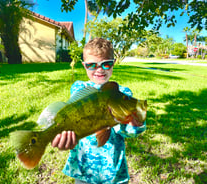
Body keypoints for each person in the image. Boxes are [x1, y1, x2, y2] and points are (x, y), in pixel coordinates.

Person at [51, 38, 146, 184]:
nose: (99, 69)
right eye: (91, 65)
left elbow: (131, 132)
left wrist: (135, 124)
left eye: (106, 64)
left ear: (113, 63)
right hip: (83, 171)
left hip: (114, 174)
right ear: (84, 66)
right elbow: (71, 121)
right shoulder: (79, 88)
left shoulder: (122, 93)